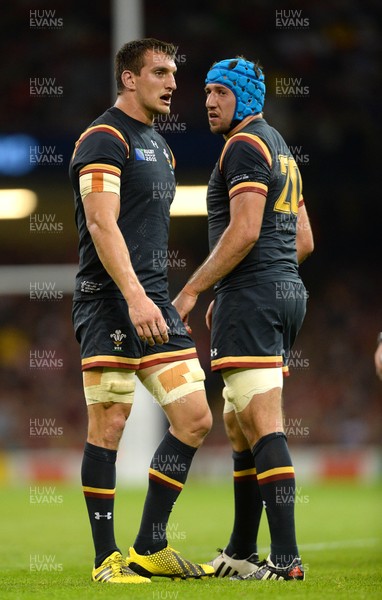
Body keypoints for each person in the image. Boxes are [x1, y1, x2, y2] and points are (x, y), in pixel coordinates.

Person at [69, 38, 214, 584]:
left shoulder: (163, 147)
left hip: (152, 302)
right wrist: (133, 296)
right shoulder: (104, 138)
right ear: (129, 79)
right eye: (159, 72)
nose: (173, 83)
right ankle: (106, 560)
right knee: (110, 422)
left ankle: (149, 545)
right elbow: (103, 225)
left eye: (174, 73)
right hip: (110, 302)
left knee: (196, 417)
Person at [173, 56, 314, 582]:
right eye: (205, 91)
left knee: (260, 422)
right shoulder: (281, 151)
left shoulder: (244, 146)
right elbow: (302, 240)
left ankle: (286, 559)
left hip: (254, 298)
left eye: (220, 92)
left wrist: (192, 290)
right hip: (277, 292)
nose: (208, 100)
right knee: (237, 422)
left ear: (245, 98)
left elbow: (246, 229)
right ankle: (239, 550)